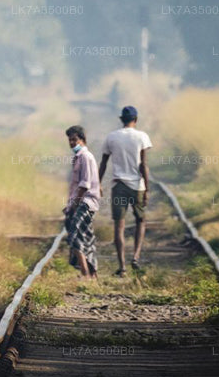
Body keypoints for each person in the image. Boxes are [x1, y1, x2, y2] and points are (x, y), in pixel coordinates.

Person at [99, 106, 153, 276]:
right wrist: (147, 189)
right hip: (137, 186)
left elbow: (103, 163)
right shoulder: (142, 137)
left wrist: (98, 184)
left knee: (119, 225)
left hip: (119, 186)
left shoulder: (112, 137)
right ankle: (136, 257)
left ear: (121, 119)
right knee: (140, 221)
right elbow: (143, 164)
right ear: (135, 119)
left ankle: (122, 266)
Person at [64, 125, 100, 277]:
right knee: (86, 237)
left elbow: (85, 185)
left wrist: (74, 205)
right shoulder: (79, 157)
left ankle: (85, 273)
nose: (72, 143)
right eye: (70, 140)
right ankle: (92, 273)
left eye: (74, 139)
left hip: (85, 202)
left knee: (75, 236)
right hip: (83, 201)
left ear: (82, 139)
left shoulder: (85, 157)